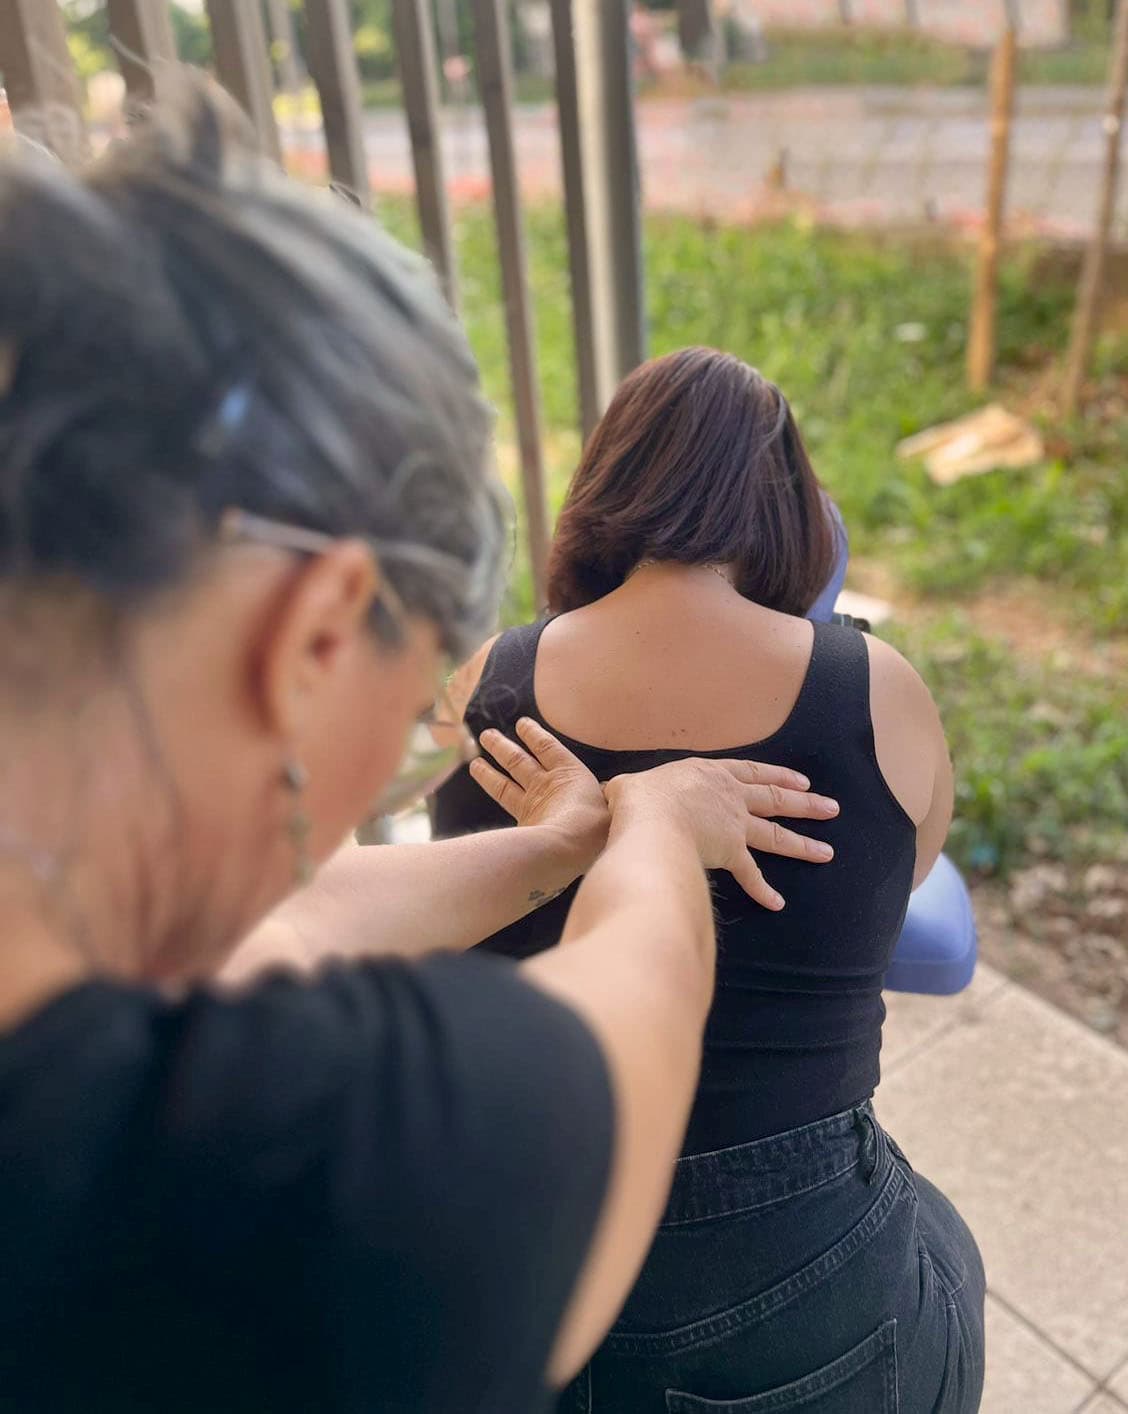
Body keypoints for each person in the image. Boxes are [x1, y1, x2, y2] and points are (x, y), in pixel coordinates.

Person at [0, 89, 843, 1413]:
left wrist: (568, 834)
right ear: (317, 634)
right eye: (404, 725)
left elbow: (291, 914)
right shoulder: (322, 1159)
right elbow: (633, 1011)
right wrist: (660, 829)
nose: (390, 768)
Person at [434, 348, 986, 1412]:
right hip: (803, 1246)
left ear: (606, 488)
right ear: (789, 512)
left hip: (540, 1238)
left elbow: (451, 913)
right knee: (945, 1253)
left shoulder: (492, 679)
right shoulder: (873, 687)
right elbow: (905, 876)